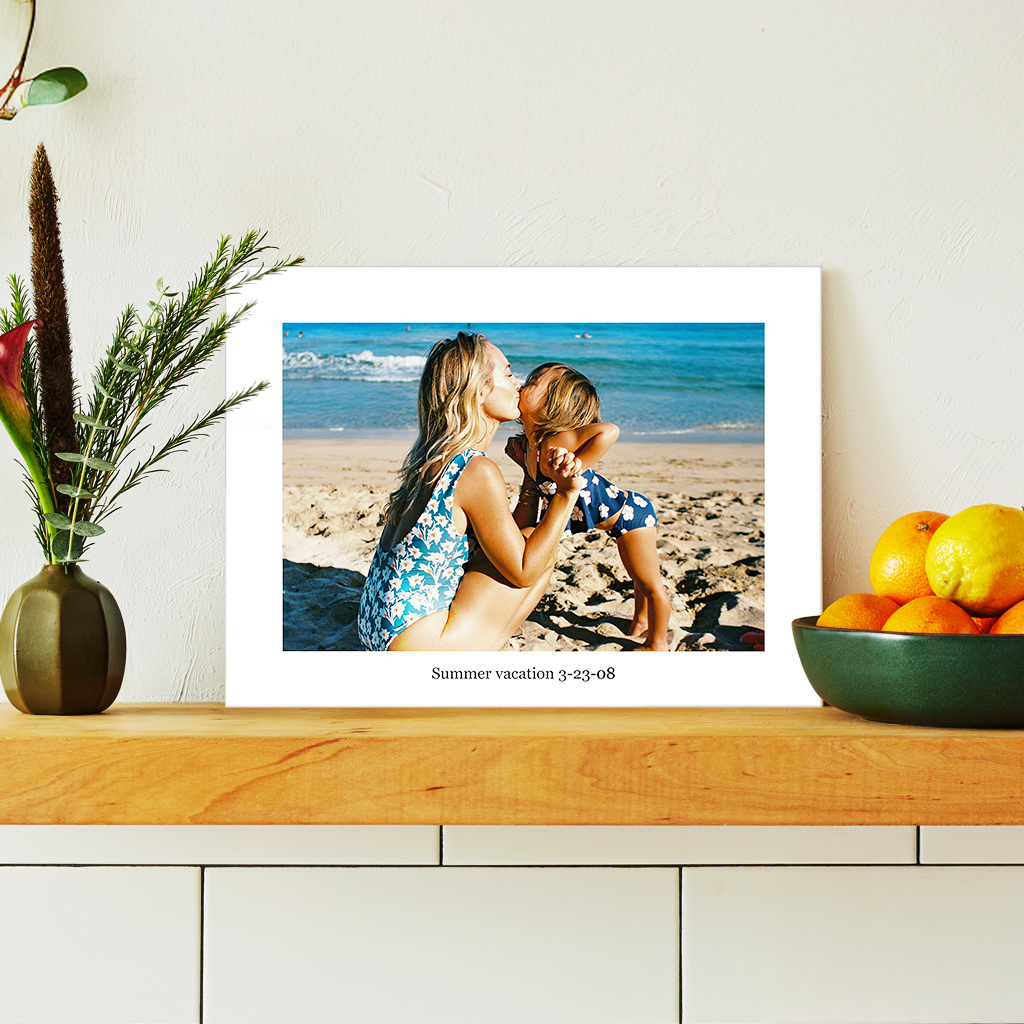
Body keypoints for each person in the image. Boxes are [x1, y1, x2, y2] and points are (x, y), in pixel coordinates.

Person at [357, 332, 584, 651]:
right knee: (541, 551)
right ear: (479, 390)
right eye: (508, 373)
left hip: (378, 626)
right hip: (414, 644)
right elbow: (522, 570)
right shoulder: (476, 470)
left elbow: (506, 543)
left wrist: (530, 482)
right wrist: (565, 495)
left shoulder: (432, 457)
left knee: (530, 539)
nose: (518, 384)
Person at [509, 362, 672, 651]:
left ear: (554, 403)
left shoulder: (558, 441)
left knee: (648, 581)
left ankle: (657, 643)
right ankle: (640, 622)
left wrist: (578, 465)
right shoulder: (530, 445)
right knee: (637, 578)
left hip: (630, 515)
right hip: (605, 516)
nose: (523, 383)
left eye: (534, 382)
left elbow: (609, 431)